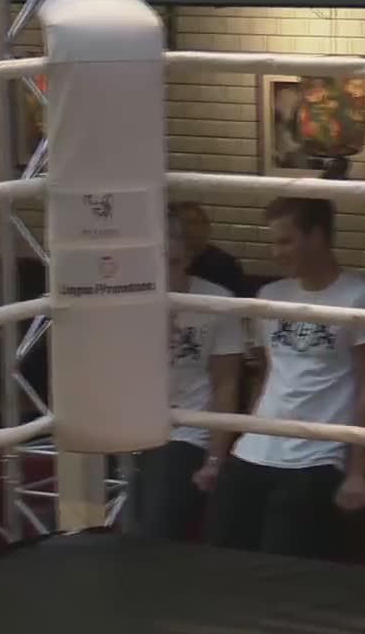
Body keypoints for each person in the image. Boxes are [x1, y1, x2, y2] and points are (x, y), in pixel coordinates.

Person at [203, 197, 365, 558]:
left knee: (282, 562)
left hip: (317, 456)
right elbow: (267, 375)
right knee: (219, 554)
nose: (277, 253)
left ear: (317, 236)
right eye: (274, 242)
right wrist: (235, 442)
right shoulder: (270, 296)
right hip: (254, 449)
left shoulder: (361, 297)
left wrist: (358, 472)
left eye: (285, 241)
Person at [130, 212, 244, 540]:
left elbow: (226, 383)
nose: (166, 272)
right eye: (157, 263)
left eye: (174, 262)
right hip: (134, 427)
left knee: (157, 528)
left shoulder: (216, 302)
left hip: (187, 431)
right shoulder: (129, 298)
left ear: (189, 257)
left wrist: (215, 458)